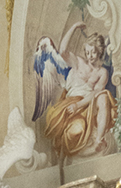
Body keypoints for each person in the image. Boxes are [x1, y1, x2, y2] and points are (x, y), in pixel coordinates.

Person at [42, 26, 116, 159]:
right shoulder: (79, 62)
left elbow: (96, 92)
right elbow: (62, 51)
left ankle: (99, 139)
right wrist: (74, 27)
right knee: (77, 130)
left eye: (93, 52)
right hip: (71, 103)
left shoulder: (102, 73)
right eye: (87, 52)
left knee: (104, 96)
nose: (89, 56)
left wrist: (79, 105)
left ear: (99, 51)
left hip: (87, 104)